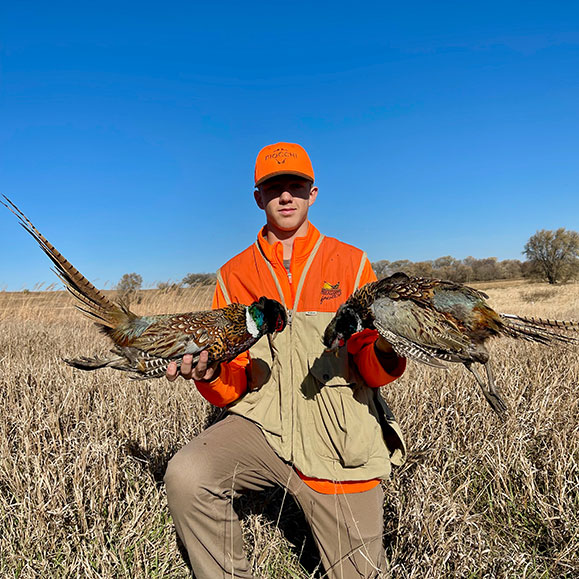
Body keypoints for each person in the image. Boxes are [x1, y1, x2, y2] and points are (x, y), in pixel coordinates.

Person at [164, 142, 407, 579]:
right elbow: (233, 382)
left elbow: (370, 371)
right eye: (274, 187)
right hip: (263, 427)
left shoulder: (351, 264)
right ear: (258, 198)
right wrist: (211, 372)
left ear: (313, 194)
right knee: (187, 474)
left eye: (296, 186)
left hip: (339, 434)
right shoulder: (234, 274)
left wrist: (390, 347)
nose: (286, 196)